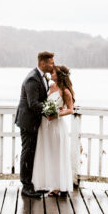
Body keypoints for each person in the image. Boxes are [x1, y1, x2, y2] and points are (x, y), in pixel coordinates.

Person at [15, 51, 55, 198]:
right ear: (42, 63)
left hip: (33, 121)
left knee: (32, 153)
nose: (53, 65)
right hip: (28, 122)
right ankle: (26, 186)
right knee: (27, 153)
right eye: (51, 63)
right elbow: (33, 104)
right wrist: (51, 111)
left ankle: (33, 183)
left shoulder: (41, 76)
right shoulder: (32, 79)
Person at [34, 65, 75, 196]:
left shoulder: (65, 91)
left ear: (59, 75)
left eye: (53, 72)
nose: (51, 74)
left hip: (57, 125)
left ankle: (59, 186)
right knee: (48, 153)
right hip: (45, 125)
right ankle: (48, 183)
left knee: (57, 155)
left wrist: (56, 114)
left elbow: (70, 109)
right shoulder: (50, 87)